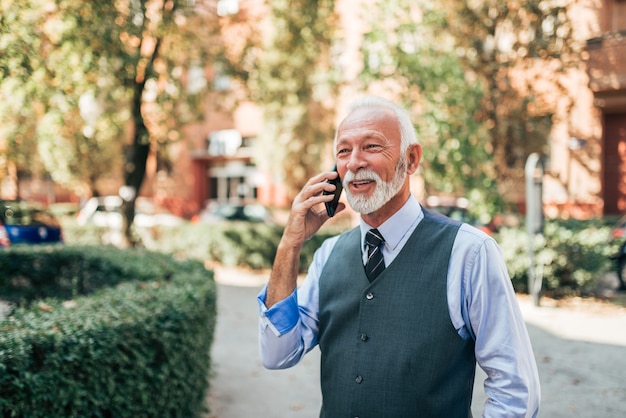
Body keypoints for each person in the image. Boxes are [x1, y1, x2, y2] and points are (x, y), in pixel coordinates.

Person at [257, 95, 540, 417]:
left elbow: (515, 388)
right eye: (343, 150)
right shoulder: (328, 255)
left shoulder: (470, 252)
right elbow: (276, 354)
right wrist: (289, 246)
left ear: (412, 159)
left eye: (372, 147)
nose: (354, 162)